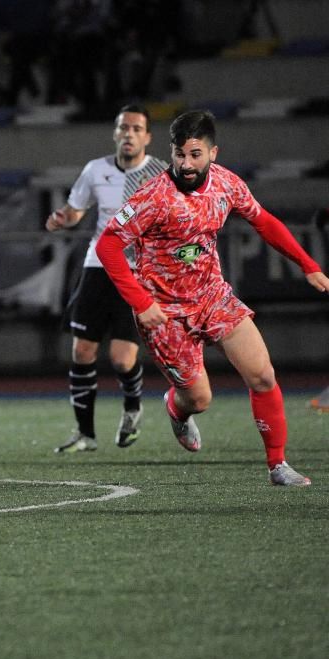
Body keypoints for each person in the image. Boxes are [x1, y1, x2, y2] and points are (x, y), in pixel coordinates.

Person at [96, 109, 329, 486]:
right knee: (199, 400)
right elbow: (109, 245)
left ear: (213, 152)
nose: (186, 164)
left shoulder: (226, 184)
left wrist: (307, 264)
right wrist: (141, 302)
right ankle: (176, 409)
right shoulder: (153, 197)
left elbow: (263, 221)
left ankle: (277, 465)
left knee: (263, 375)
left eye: (195, 155)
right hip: (164, 312)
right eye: (179, 155)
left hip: (213, 298)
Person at [47, 104, 167, 453]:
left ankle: (132, 408)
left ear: (147, 137)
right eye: (123, 127)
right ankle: (85, 434)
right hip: (97, 266)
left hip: (134, 272)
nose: (128, 133)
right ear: (115, 133)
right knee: (82, 350)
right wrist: (62, 219)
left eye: (136, 128)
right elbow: (76, 211)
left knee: (121, 359)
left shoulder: (159, 173)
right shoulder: (95, 169)